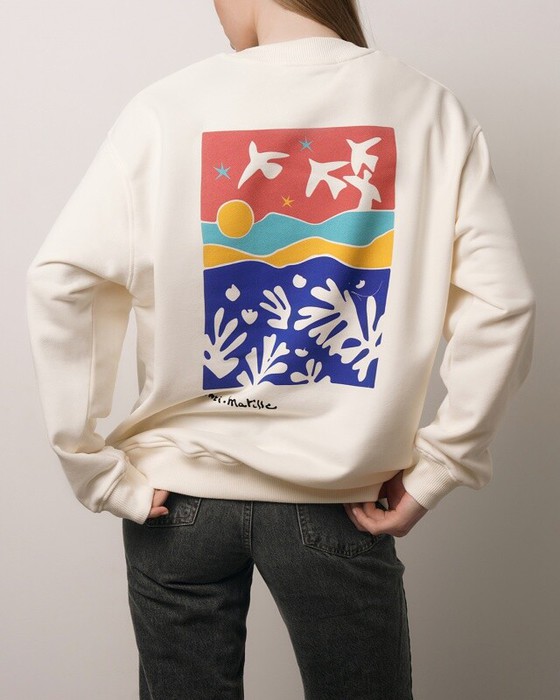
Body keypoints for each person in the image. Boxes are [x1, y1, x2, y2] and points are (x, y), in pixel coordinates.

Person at [25, 0, 536, 698]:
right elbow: (503, 306)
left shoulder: (166, 110)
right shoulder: (427, 110)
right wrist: (441, 465)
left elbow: (63, 280)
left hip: (180, 500)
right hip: (337, 497)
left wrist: (94, 468)